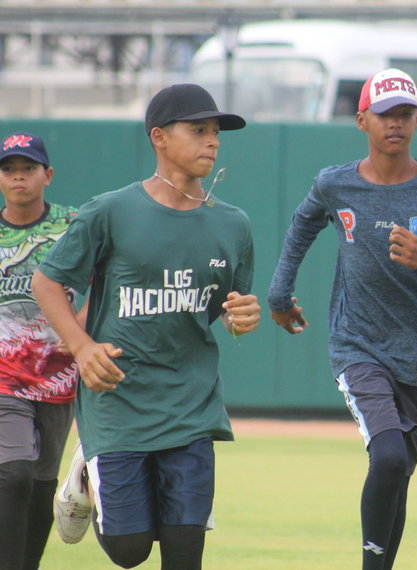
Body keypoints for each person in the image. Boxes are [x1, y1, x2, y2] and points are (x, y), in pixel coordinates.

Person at [31, 83, 260, 570]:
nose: (212, 141)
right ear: (159, 137)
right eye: (198, 130)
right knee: (129, 550)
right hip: (119, 402)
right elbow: (47, 282)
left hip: (191, 405)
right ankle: (87, 478)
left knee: (184, 548)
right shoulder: (111, 211)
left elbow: (230, 311)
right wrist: (82, 346)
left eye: (215, 132)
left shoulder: (234, 224)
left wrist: (243, 319)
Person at [267, 68, 417, 570]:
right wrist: (279, 294)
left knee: (398, 472)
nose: (396, 124)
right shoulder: (335, 185)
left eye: (406, 114)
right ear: (362, 120)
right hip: (358, 346)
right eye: (385, 115)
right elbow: (301, 226)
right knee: (387, 458)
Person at [0, 132, 81, 570]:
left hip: (59, 372)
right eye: (9, 169)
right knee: (13, 474)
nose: (18, 177)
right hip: (4, 375)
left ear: (47, 175)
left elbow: (109, 276)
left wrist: (81, 333)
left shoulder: (73, 225)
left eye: (27, 168)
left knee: (42, 480)